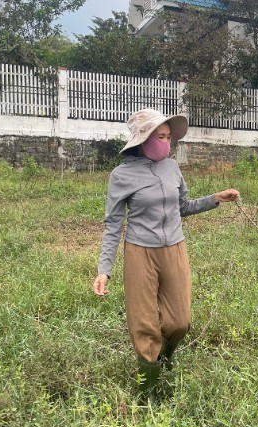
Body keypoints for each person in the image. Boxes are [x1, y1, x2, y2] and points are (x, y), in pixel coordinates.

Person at [92, 108, 239, 401]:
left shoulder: (172, 168)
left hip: (175, 248)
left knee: (179, 321)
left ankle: (166, 356)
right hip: (140, 253)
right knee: (144, 324)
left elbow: (183, 206)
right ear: (142, 139)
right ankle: (148, 393)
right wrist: (103, 270)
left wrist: (216, 199)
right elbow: (113, 225)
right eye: (160, 136)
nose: (166, 142)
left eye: (169, 137)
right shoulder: (121, 176)